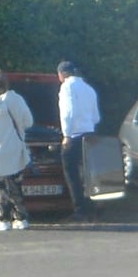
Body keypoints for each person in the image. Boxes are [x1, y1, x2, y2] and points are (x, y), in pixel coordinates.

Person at [0, 69, 35, 231]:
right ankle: (21, 218)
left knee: (0, 188)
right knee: (15, 185)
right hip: (14, 150)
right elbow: (28, 122)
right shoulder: (16, 99)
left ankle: (4, 218)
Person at [57, 59, 101, 218]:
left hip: (74, 135)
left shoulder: (66, 87)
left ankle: (79, 209)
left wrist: (66, 134)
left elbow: (67, 112)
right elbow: (96, 117)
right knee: (90, 174)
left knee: (71, 172)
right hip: (90, 134)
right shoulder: (89, 89)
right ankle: (93, 207)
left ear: (62, 74)